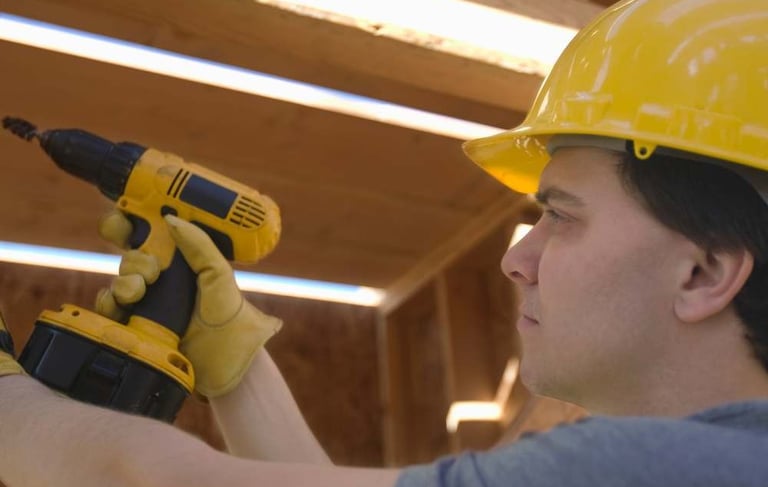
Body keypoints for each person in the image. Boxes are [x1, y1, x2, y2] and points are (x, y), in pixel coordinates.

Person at [2, 0, 768, 485]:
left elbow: (148, 478)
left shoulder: (646, 471)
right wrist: (233, 362)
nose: (516, 258)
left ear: (703, 270)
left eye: (561, 216)